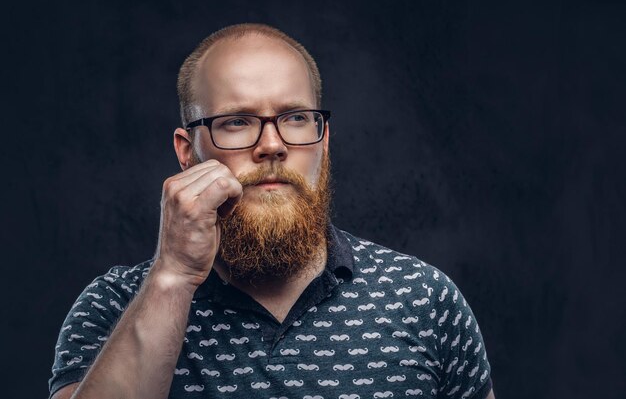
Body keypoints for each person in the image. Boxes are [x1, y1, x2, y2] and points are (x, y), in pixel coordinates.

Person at [48, 23, 495, 399]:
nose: (272, 145)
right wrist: (174, 276)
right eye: (236, 121)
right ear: (187, 152)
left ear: (323, 140)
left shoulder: (425, 299)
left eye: (296, 117)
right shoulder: (112, 306)